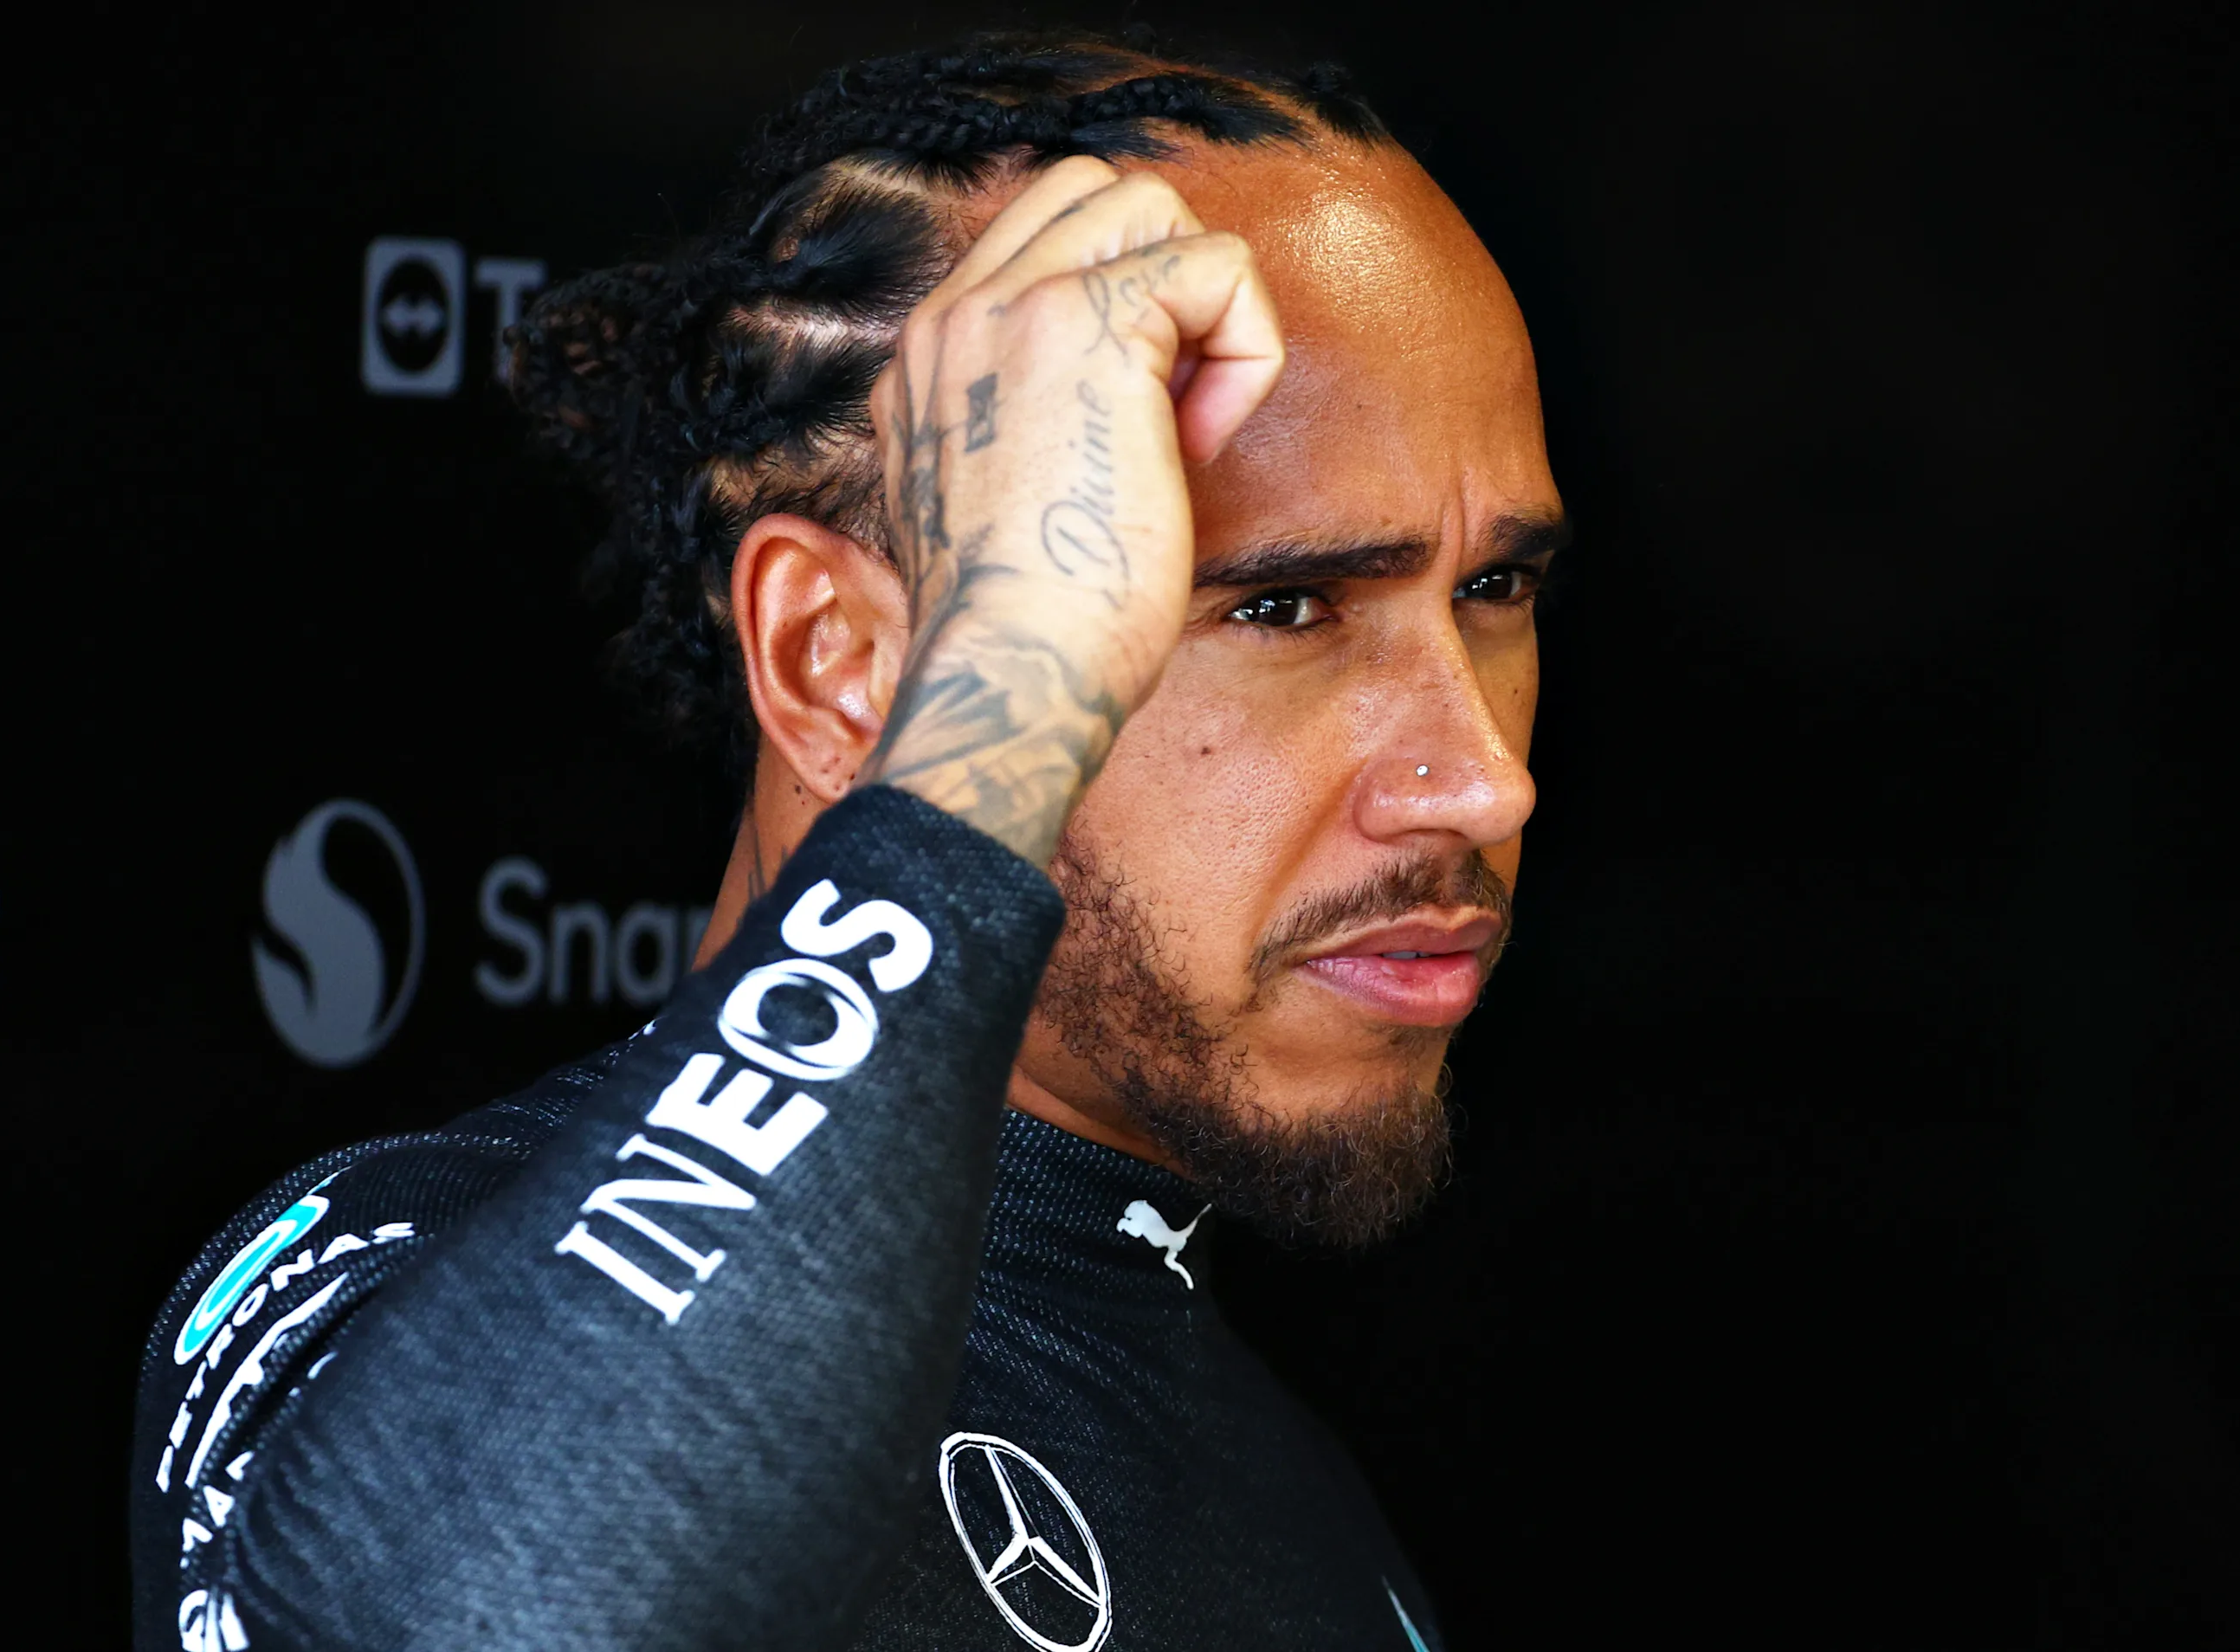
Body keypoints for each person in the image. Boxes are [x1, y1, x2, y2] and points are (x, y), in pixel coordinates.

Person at [134, 32, 1562, 1651]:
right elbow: (487, 1610)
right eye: (1281, 605)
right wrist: (1014, 665)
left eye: (1495, 590)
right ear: (841, 666)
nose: (1475, 780)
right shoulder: (401, 1279)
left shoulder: (1285, 1476)